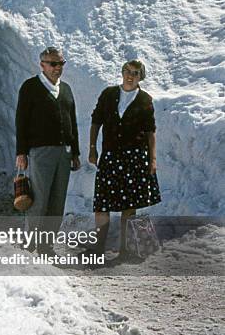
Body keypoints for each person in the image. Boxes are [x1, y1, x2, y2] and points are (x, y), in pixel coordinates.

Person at [88, 60, 161, 261]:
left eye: (136, 73)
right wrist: (93, 148)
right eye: (127, 71)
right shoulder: (108, 94)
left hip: (135, 159)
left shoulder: (145, 100)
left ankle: (125, 250)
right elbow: (96, 121)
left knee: (129, 206)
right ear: (122, 72)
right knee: (102, 204)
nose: (130, 76)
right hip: (110, 156)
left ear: (141, 77)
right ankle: (97, 248)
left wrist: (152, 159)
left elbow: (150, 132)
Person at [16, 47, 80, 254]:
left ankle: (46, 245)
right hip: (41, 151)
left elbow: (73, 122)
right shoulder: (30, 87)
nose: (57, 68)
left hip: (64, 152)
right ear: (42, 64)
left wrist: (76, 152)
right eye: (53, 64)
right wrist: (21, 152)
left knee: (57, 200)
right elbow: (21, 122)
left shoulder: (67, 89)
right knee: (39, 199)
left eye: (61, 64)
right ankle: (30, 244)